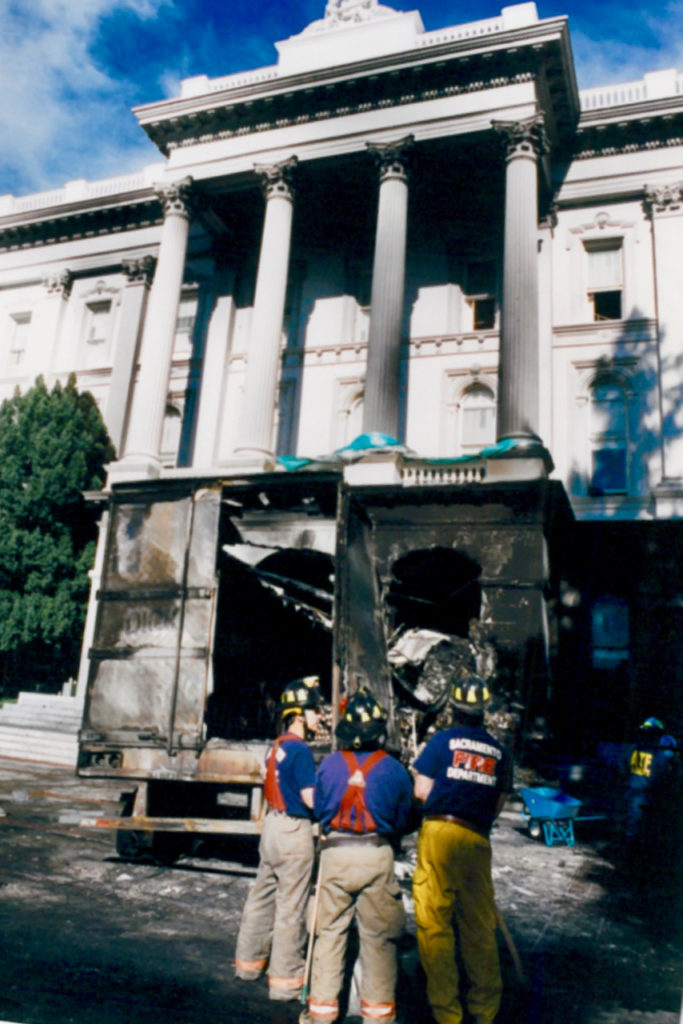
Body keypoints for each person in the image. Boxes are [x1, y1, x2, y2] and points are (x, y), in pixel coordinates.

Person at [303, 688, 413, 1024]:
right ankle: (378, 1017)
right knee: (380, 940)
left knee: (329, 934)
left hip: (335, 854)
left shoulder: (329, 765)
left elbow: (319, 809)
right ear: (379, 731)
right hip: (376, 854)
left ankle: (321, 1014)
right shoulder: (395, 770)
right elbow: (403, 820)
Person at [412, 673, 512, 1024]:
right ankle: (484, 1010)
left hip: (440, 834)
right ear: (485, 710)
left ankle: (447, 1013)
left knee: (434, 923)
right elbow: (498, 805)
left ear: (453, 709)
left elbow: (421, 792)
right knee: (479, 926)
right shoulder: (500, 752)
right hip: (476, 839)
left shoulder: (441, 742)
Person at [234, 675, 323, 1002]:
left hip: (271, 826)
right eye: (314, 711)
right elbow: (310, 799)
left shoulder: (276, 747)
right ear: (298, 715)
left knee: (261, 897)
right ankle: (285, 981)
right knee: (291, 907)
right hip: (293, 831)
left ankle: (248, 964)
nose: (319, 717)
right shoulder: (301, 751)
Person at [625, 717, 677, 846]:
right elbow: (665, 777)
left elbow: (623, 769)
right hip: (648, 800)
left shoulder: (632, 749)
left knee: (631, 830)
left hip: (631, 796)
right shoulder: (658, 755)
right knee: (643, 833)